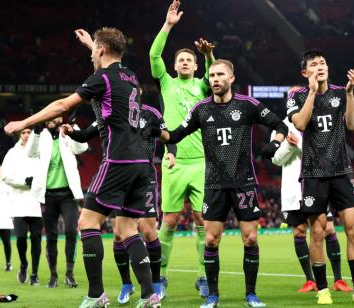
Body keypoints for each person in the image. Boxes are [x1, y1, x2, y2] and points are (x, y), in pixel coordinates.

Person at [5, 27, 160, 308]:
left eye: (94, 51)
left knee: (87, 223)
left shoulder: (102, 77)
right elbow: (108, 64)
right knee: (127, 228)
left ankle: (96, 294)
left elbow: (64, 104)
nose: (91, 56)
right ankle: (150, 296)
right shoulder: (131, 77)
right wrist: (92, 44)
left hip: (118, 159)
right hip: (141, 163)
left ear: (101, 50)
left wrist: (24, 122)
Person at [153, 59, 288, 308]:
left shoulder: (248, 105)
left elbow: (279, 124)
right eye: (212, 75)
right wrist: (157, 130)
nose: (215, 79)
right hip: (214, 185)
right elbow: (174, 135)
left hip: (243, 183)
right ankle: (213, 295)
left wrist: (276, 143)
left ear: (231, 78)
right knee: (211, 240)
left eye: (220, 75)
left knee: (250, 239)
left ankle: (251, 295)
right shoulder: (200, 109)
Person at [287, 49, 354, 304]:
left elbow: (353, 125)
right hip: (314, 173)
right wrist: (313, 91)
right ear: (305, 72)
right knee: (317, 233)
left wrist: (350, 93)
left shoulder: (341, 92)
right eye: (314, 64)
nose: (321, 66)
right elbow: (301, 124)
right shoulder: (297, 96)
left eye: (323, 62)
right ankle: (322, 290)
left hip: (342, 170)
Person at [62, 102, 168, 303]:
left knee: (147, 230)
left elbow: (168, 136)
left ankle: (155, 282)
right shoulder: (110, 112)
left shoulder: (150, 113)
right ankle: (130, 285)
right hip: (124, 174)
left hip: (137, 173)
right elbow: (86, 133)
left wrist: (170, 152)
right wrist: (72, 131)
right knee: (121, 233)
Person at [149, 1, 215, 296]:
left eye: (190, 59)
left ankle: (203, 276)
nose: (186, 62)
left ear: (196, 65)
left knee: (203, 220)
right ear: (174, 66)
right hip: (173, 161)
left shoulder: (203, 86)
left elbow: (217, 79)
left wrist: (209, 54)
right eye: (181, 60)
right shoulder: (166, 83)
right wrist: (168, 25)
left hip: (201, 162)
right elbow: (153, 54)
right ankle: (160, 276)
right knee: (170, 221)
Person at [270, 107, 352, 293]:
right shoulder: (281, 126)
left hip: (319, 185)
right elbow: (275, 159)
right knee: (299, 232)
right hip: (293, 189)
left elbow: (328, 152)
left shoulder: (318, 120)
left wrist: (301, 144)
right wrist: (289, 146)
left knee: (328, 229)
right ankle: (310, 280)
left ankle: (339, 280)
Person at [26, 117, 88, 288]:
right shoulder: (42, 135)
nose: (54, 120)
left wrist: (74, 128)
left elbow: (82, 147)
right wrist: (36, 132)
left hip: (67, 194)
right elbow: (30, 153)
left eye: (57, 118)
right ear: (45, 121)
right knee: (51, 236)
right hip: (48, 196)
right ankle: (53, 276)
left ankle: (69, 274)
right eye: (50, 118)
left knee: (70, 231)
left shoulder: (66, 133)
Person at [0, 128, 42, 285]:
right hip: (18, 202)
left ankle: (34, 274)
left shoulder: (40, 151)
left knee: (37, 239)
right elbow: (5, 176)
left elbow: (46, 172)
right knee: (21, 238)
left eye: (28, 133)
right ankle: (24, 264)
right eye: (23, 133)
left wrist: (36, 182)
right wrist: (24, 182)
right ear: (19, 135)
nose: (26, 135)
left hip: (37, 201)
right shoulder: (12, 153)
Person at [0, 163, 13, 272]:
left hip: (5, 218)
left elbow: (12, 200)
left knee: (7, 242)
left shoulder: (7, 184)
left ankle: (8, 263)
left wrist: (12, 215)